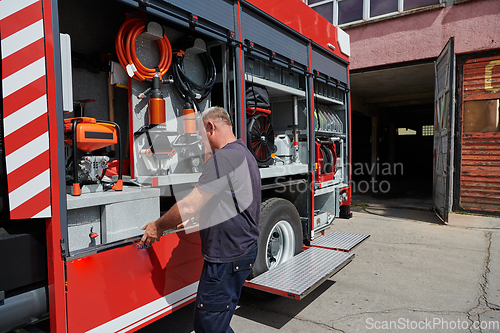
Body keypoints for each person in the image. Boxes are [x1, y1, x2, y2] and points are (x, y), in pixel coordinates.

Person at [140, 106, 261, 332]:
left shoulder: (223, 158)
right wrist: (199, 216)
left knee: (208, 326)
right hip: (242, 250)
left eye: (200, 136)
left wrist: (157, 226)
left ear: (210, 126)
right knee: (213, 322)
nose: (201, 143)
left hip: (227, 256)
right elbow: (230, 197)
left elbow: (189, 204)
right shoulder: (243, 153)